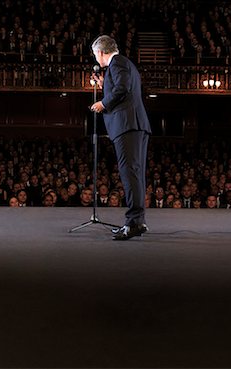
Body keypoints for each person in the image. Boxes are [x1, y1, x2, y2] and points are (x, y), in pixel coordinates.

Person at [90, 35, 151, 241]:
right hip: (134, 125)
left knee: (130, 174)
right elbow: (124, 87)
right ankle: (137, 221)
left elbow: (122, 89)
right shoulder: (124, 64)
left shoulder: (117, 63)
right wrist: (104, 83)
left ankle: (133, 222)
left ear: (100, 52)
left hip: (127, 126)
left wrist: (103, 103)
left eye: (94, 54)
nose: (95, 57)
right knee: (135, 174)